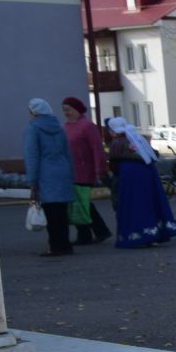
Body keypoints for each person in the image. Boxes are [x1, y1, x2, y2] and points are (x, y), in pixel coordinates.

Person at [104, 116, 176, 248]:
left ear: (114, 131)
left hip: (129, 177)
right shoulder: (137, 138)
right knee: (148, 203)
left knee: (133, 205)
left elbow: (114, 165)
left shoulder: (117, 143)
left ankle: (135, 235)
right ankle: (153, 233)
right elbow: (152, 154)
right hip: (148, 174)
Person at [21, 98, 76, 258]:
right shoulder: (59, 128)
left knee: (51, 213)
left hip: (45, 173)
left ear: (34, 113)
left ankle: (56, 247)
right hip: (62, 171)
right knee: (61, 212)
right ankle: (65, 245)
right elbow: (68, 153)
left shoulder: (33, 130)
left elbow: (32, 156)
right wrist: (71, 174)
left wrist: (32, 180)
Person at [60, 96, 113, 244]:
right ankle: (88, 234)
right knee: (78, 203)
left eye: (69, 110)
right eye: (64, 110)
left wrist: (99, 168)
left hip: (84, 170)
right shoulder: (65, 127)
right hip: (70, 171)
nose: (66, 113)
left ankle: (98, 232)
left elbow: (97, 148)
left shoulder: (88, 126)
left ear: (77, 110)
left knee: (83, 203)